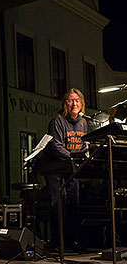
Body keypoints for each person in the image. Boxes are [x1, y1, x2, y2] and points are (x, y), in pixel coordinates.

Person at [38, 88, 88, 250]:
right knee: (59, 204)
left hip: (72, 169)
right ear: (65, 104)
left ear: (81, 104)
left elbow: (83, 145)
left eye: (77, 100)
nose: (74, 104)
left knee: (74, 204)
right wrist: (73, 157)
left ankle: (72, 241)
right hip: (56, 169)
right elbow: (55, 146)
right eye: (70, 100)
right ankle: (57, 242)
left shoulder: (83, 122)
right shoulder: (57, 121)